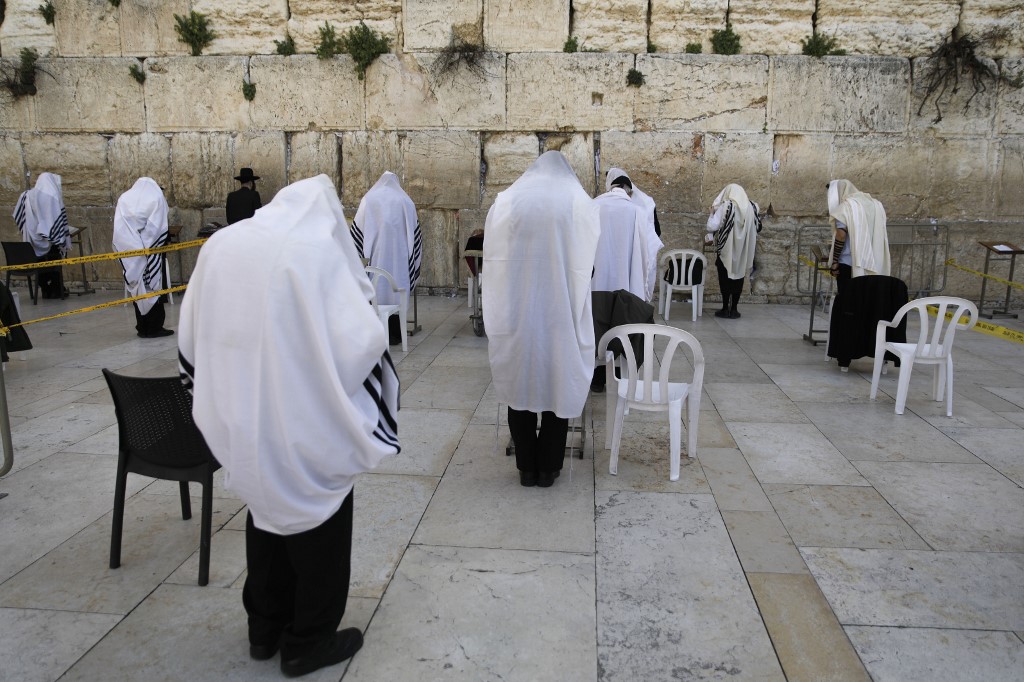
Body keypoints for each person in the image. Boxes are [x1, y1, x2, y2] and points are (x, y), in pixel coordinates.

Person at [178, 175, 399, 677]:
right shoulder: (316, 253)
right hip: (301, 424)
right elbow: (362, 343)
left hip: (242, 422)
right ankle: (309, 639)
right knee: (318, 517)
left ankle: (264, 629)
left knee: (266, 511)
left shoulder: (221, 245)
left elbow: (192, 338)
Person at [483, 151, 600, 488]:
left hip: (518, 311)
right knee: (556, 384)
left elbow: (494, 258)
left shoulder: (507, 200)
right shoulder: (577, 201)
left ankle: (525, 467)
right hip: (559, 312)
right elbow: (588, 262)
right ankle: (548, 469)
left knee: (520, 384)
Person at [826, 179, 892, 370]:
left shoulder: (846, 207)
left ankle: (845, 357)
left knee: (849, 310)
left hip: (850, 266)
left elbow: (841, 234)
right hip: (877, 268)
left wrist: (835, 260)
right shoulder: (876, 205)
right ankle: (879, 354)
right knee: (874, 308)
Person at [350, 171, 422, 346]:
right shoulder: (406, 202)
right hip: (401, 259)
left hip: (375, 256)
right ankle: (397, 334)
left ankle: (376, 333)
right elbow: (416, 237)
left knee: (376, 288)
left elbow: (356, 234)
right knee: (398, 287)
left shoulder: (369, 200)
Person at [113, 177, 173, 338]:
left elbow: (119, 227)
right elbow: (157, 228)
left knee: (137, 285)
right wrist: (148, 248)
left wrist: (133, 246)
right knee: (152, 284)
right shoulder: (156, 197)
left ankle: (142, 327)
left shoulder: (125, 197)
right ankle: (154, 327)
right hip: (147, 247)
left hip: (128, 247)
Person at [592, 175, 662, 301]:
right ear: (629, 193)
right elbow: (651, 249)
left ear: (610, 189)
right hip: (626, 281)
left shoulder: (594, 205)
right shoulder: (637, 211)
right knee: (623, 316)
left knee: (598, 311)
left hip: (597, 280)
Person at [704, 183, 763, 319]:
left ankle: (725, 308)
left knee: (724, 277)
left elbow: (712, 226)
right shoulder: (753, 207)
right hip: (744, 250)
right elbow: (758, 227)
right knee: (739, 277)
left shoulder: (726, 206)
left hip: (726, 248)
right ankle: (734, 309)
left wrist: (712, 214)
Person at [12, 172, 71, 299]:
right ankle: (57, 289)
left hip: (31, 243)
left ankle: (45, 289)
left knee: (40, 261)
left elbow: (20, 216)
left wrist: (33, 231)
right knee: (55, 255)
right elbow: (56, 221)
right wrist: (54, 234)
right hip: (49, 243)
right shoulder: (52, 196)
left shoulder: (26, 195)